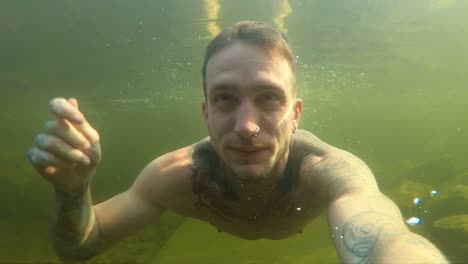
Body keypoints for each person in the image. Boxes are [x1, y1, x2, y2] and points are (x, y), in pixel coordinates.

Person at [28, 21, 449, 263]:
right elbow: (80, 246)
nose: (247, 126)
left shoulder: (328, 171)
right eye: (226, 99)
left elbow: (386, 241)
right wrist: (72, 190)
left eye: (268, 98)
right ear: (206, 113)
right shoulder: (178, 177)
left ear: (296, 115)